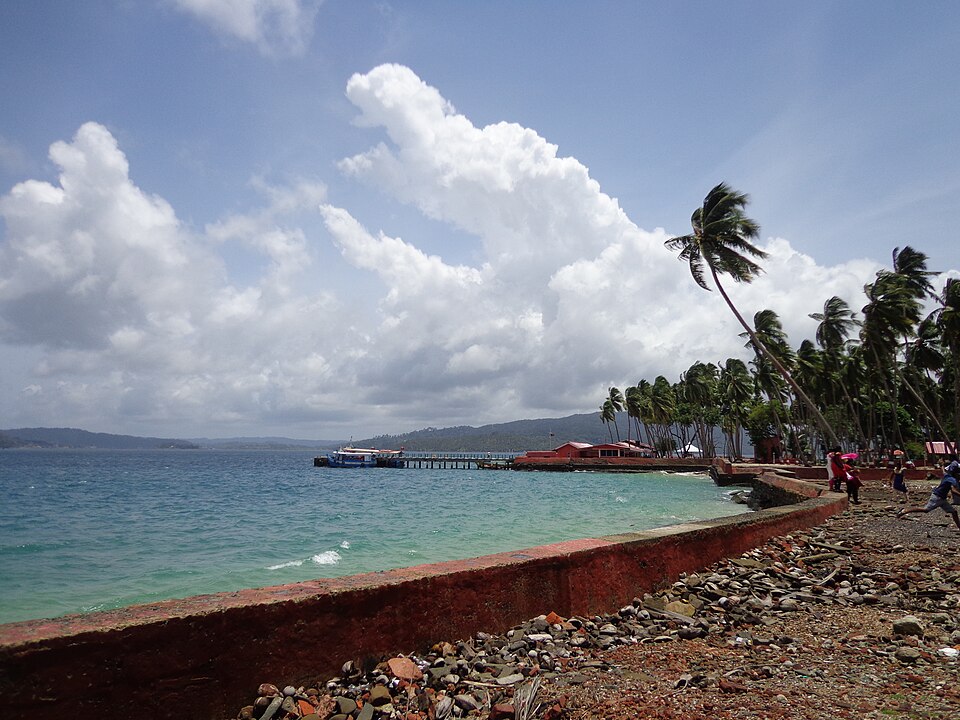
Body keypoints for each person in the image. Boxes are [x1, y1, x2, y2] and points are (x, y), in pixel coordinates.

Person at [896, 464, 960, 532]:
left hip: (942, 499)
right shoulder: (952, 480)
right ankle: (904, 511)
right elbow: (953, 490)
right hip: (937, 498)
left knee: (954, 512)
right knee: (925, 509)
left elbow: (943, 471)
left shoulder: (947, 475)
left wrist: (942, 465)